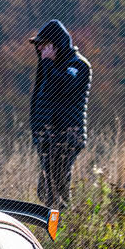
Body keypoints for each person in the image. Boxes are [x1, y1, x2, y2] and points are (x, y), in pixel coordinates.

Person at [27, 19, 91, 208]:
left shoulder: (78, 65)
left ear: (56, 44)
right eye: (38, 45)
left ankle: (62, 222)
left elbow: (62, 86)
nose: (40, 49)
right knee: (46, 190)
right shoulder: (48, 68)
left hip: (65, 138)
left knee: (55, 192)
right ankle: (58, 220)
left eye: (44, 44)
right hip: (47, 138)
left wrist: (47, 63)